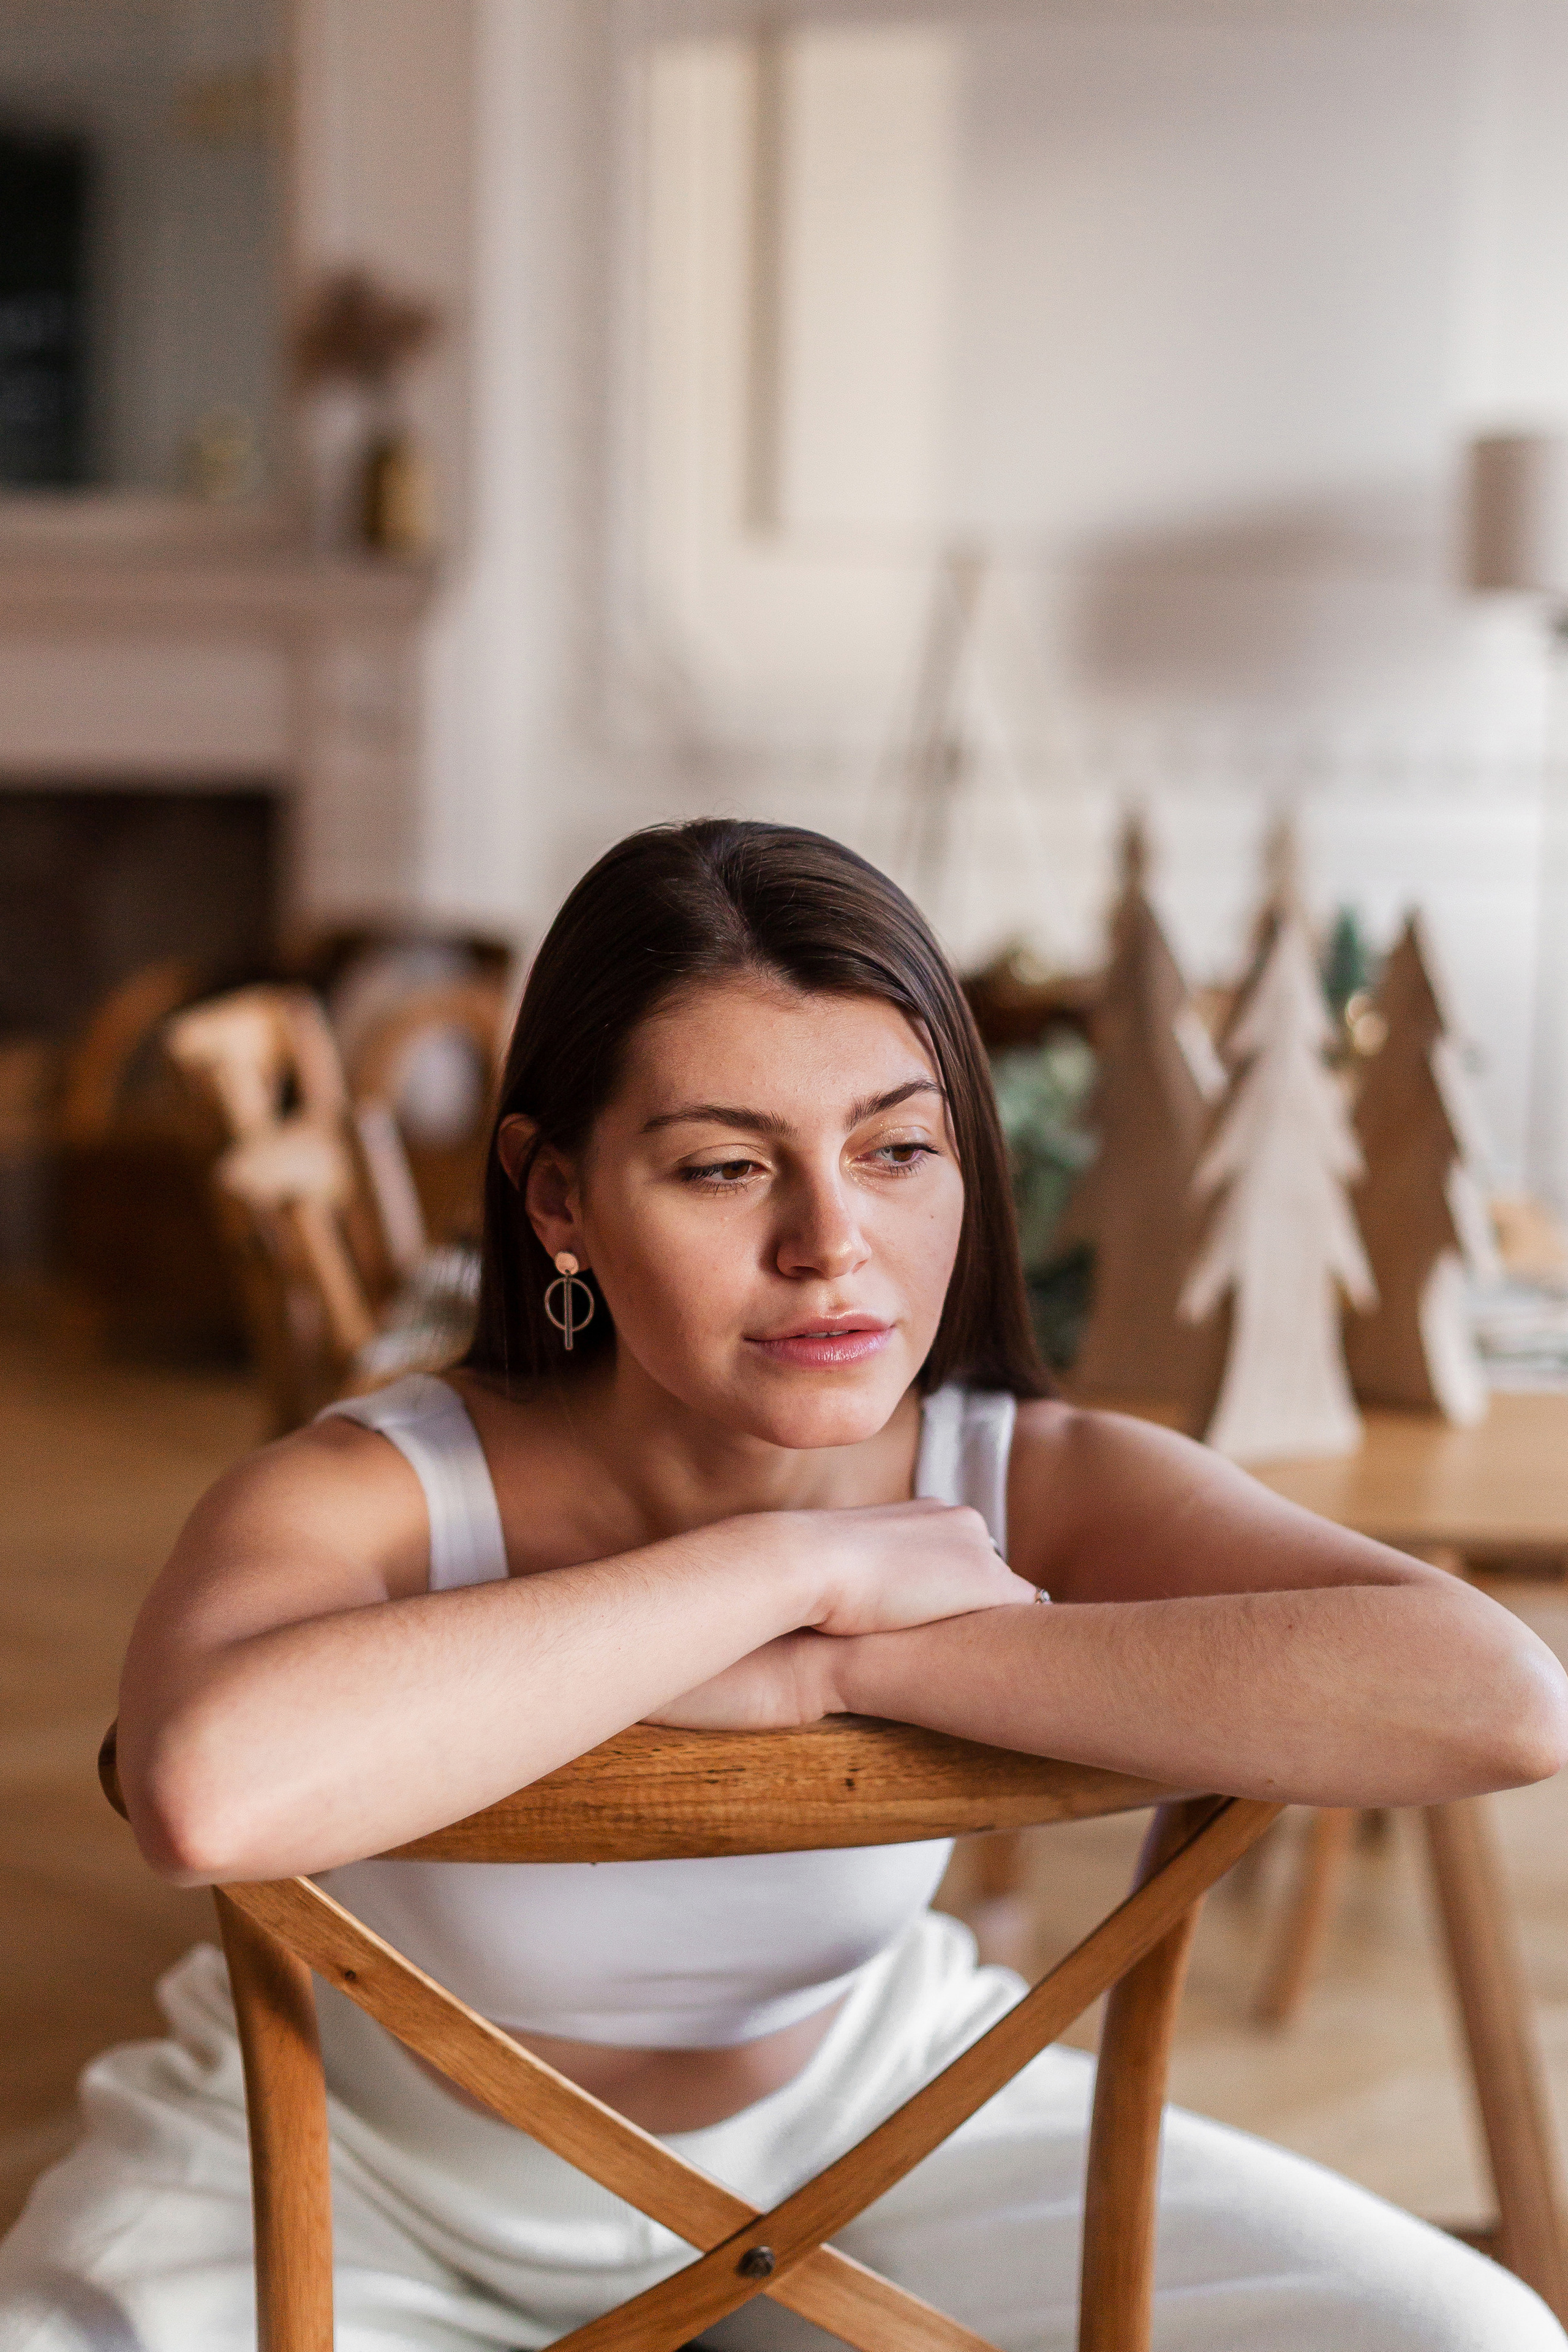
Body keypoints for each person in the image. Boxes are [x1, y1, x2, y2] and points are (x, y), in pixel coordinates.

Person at [3, 818, 1566, 2352]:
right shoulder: (374, 1486)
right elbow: (204, 1792)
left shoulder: (1030, 1470)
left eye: (894, 1149)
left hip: (882, 2138)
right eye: (724, 1167)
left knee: (1466, 2335)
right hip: (352, 2168)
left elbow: (1495, 1702)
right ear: (556, 1200)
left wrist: (835, 1668)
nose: (832, 1244)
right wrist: (784, 1568)